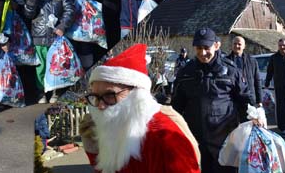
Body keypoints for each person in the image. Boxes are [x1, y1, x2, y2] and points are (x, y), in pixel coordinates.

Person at [80, 44, 201, 173]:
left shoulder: (163, 137)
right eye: (96, 97)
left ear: (137, 94)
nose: (100, 105)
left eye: (109, 95)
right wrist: (94, 150)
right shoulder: (117, 123)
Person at [172, 27, 252, 173]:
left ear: (216, 45)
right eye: (198, 48)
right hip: (196, 140)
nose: (202, 53)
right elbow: (176, 107)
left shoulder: (231, 71)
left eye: (206, 48)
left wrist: (253, 122)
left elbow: (245, 101)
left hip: (226, 141)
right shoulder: (186, 73)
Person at [23, 0, 74, 103]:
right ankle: (41, 92)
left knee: (56, 66)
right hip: (39, 37)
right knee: (41, 67)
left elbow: (69, 10)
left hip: (56, 37)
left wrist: (62, 26)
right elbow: (28, 14)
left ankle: (56, 91)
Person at [225, 36, 262, 107]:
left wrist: (259, 100)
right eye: (234, 44)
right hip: (232, 100)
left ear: (244, 46)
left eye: (239, 44)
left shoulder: (252, 61)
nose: (236, 46)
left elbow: (257, 81)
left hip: (249, 99)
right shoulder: (225, 61)